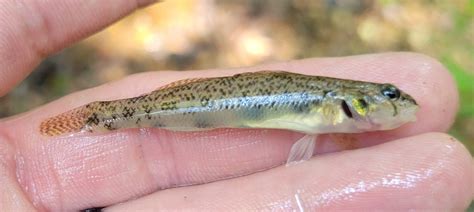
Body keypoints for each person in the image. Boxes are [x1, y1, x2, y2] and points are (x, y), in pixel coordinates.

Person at [0, 1, 472, 211]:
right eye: (388, 101)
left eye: (390, 101)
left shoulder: (336, 104)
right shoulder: (335, 104)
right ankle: (99, 118)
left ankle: (104, 116)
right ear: (354, 106)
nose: (399, 106)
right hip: (177, 108)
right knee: (132, 110)